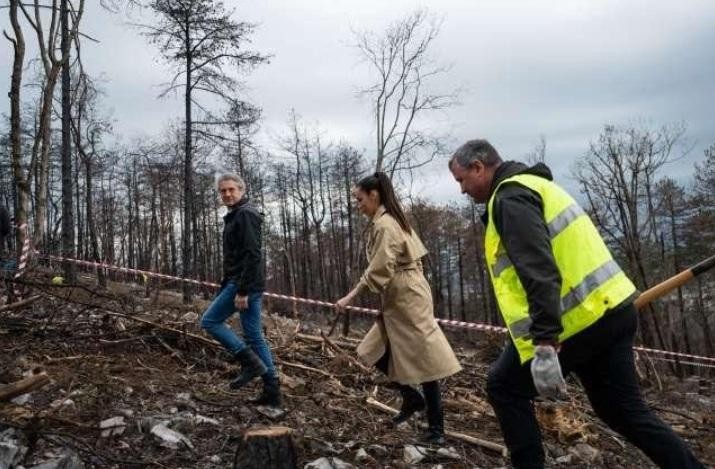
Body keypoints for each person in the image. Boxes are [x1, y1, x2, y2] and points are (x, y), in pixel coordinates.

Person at [448, 139, 704, 469]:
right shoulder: (537, 185)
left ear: (479, 167)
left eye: (461, 180)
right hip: (613, 311)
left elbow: (538, 269)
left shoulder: (510, 198)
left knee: (504, 387)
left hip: (574, 324)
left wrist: (544, 341)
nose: (462, 190)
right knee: (623, 411)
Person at [335, 172, 462, 444]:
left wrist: (351, 296)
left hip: (408, 296)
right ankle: (411, 397)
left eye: (359, 199)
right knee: (371, 349)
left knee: (427, 361)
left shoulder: (386, 224)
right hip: (399, 293)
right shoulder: (386, 220)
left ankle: (436, 431)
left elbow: (379, 268)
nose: (357, 205)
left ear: (374, 194)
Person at [200, 173, 281, 407]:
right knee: (255, 336)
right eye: (222, 191)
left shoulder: (245, 214)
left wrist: (242, 290)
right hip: (244, 282)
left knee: (210, 321)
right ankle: (272, 392)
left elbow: (252, 255)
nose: (227, 194)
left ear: (241, 190)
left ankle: (249, 362)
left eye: (231, 190)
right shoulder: (236, 214)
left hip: (244, 283)